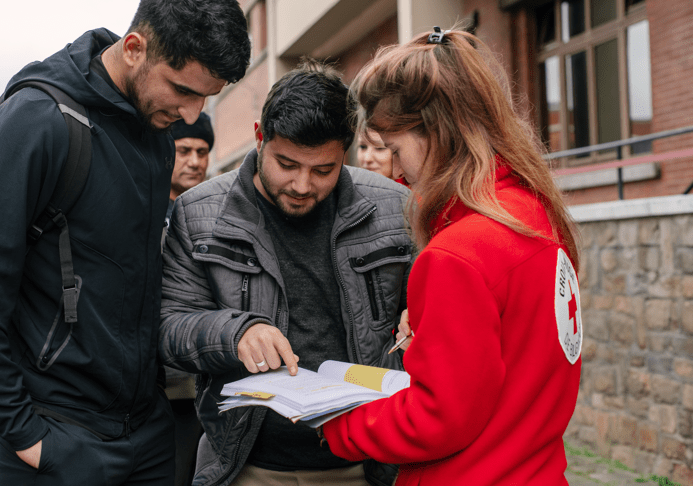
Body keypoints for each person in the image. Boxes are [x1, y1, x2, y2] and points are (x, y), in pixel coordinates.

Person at [0, 0, 251, 485]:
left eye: (206, 99)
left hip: (147, 429)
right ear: (134, 48)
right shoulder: (37, 121)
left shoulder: (157, 134)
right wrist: (25, 437)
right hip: (59, 434)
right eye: (183, 90)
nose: (191, 114)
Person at [321, 26, 583, 485]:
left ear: (441, 131)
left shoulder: (457, 254)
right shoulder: (536, 215)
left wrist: (339, 425)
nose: (396, 173)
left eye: (395, 149)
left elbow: (439, 418)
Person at [158, 60, 414, 486]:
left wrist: (422, 317)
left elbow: (425, 307)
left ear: (346, 150)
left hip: (367, 464)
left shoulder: (395, 207)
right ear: (260, 137)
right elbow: (169, 329)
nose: (301, 185)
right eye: (287, 163)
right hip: (250, 465)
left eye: (322, 170)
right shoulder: (200, 212)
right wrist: (234, 333)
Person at [164, 112, 215, 486]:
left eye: (203, 150)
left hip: (203, 383)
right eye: (184, 150)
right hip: (151, 383)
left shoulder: (217, 211)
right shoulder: (143, 209)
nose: (195, 161)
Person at [165, 112, 215, 224]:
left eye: (202, 153)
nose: (194, 162)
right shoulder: (147, 212)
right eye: (183, 151)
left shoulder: (221, 213)